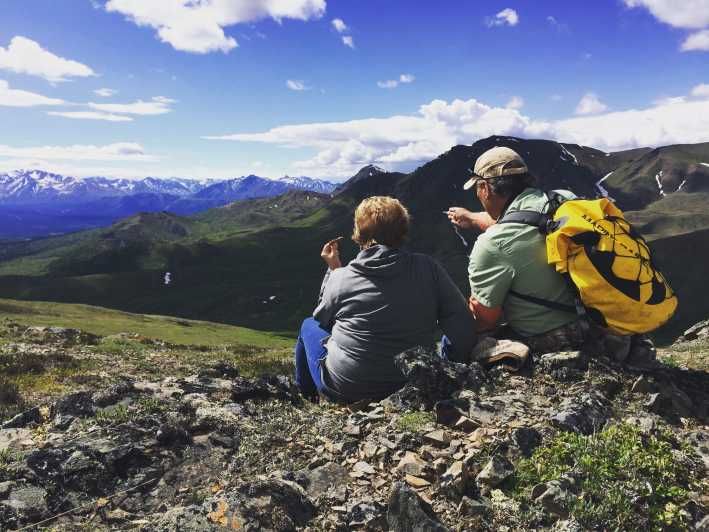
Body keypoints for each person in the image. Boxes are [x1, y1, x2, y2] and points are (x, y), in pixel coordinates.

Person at [294, 196, 476, 403]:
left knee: (307, 325)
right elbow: (460, 320)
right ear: (402, 230)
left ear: (358, 233)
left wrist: (333, 269)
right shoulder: (428, 267)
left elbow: (323, 318)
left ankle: (306, 396)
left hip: (348, 389)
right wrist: (452, 363)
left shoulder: (342, 276)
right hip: (414, 380)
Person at [446, 146, 586, 354]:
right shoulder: (563, 199)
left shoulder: (492, 244)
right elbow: (525, 220)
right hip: (599, 319)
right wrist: (472, 218)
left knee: (451, 341)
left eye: (477, 188)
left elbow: (485, 321)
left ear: (484, 188)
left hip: (556, 337)